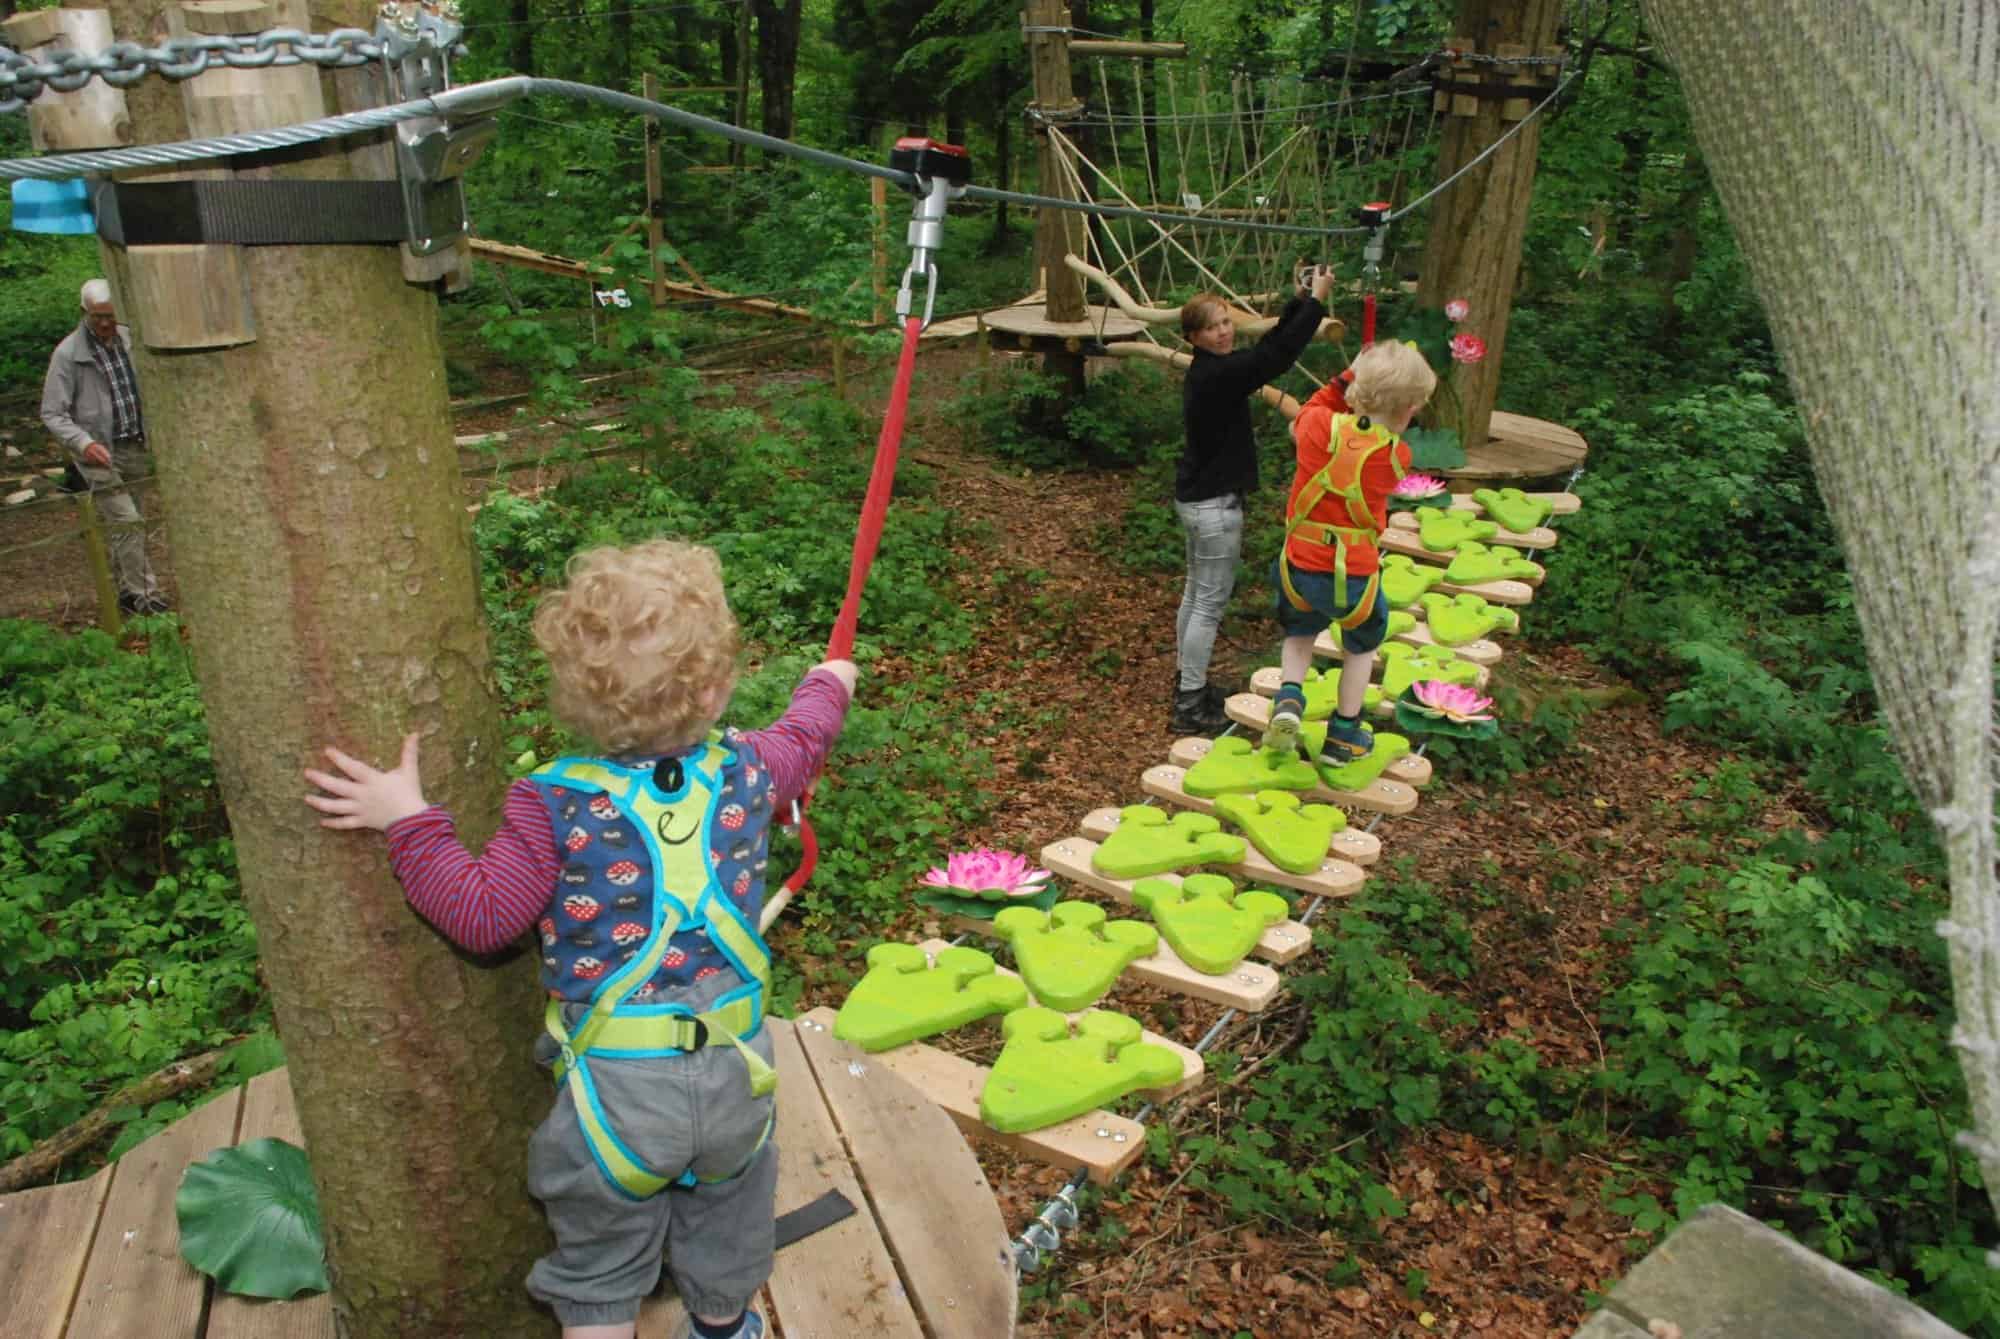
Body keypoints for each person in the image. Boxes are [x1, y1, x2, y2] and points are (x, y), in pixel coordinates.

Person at [303, 539, 857, 1339]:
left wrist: (411, 822)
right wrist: (829, 682)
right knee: (728, 1233)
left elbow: (485, 917)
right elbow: (806, 734)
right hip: (740, 1081)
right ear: (715, 687)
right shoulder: (750, 771)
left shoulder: (552, 803)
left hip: (615, 1104)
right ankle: (722, 1326)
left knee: (597, 1273)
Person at [1171, 263, 1335, 735]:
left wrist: (1300, 301)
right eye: (1212, 327)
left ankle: (1190, 684)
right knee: (1207, 603)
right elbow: (1274, 357)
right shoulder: (1217, 375)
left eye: (1226, 322)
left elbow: (1266, 349)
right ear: (1193, 338)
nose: (1223, 332)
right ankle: (1189, 703)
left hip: (1201, 500)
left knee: (1195, 595)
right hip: (1213, 507)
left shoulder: (1214, 370)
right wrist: (1317, 303)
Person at [1260, 339, 1434, 763]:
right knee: (1360, 647)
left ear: (1357, 386)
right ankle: (1343, 735)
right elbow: (1365, 443)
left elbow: (1311, 411)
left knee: (1300, 634)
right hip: (1354, 574)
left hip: (1300, 566)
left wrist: (1345, 377)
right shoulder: (1398, 456)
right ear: (1408, 408)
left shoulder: (1317, 424)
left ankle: (1289, 700)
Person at [41, 278, 166, 615]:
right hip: (97, 454)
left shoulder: (129, 339)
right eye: (99, 317)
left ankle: (125, 591)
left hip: (134, 446)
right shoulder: (69, 355)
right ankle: (147, 598)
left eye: (111, 315)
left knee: (129, 522)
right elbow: (52, 412)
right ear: (84, 313)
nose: (107, 323)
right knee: (128, 521)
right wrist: (83, 443)